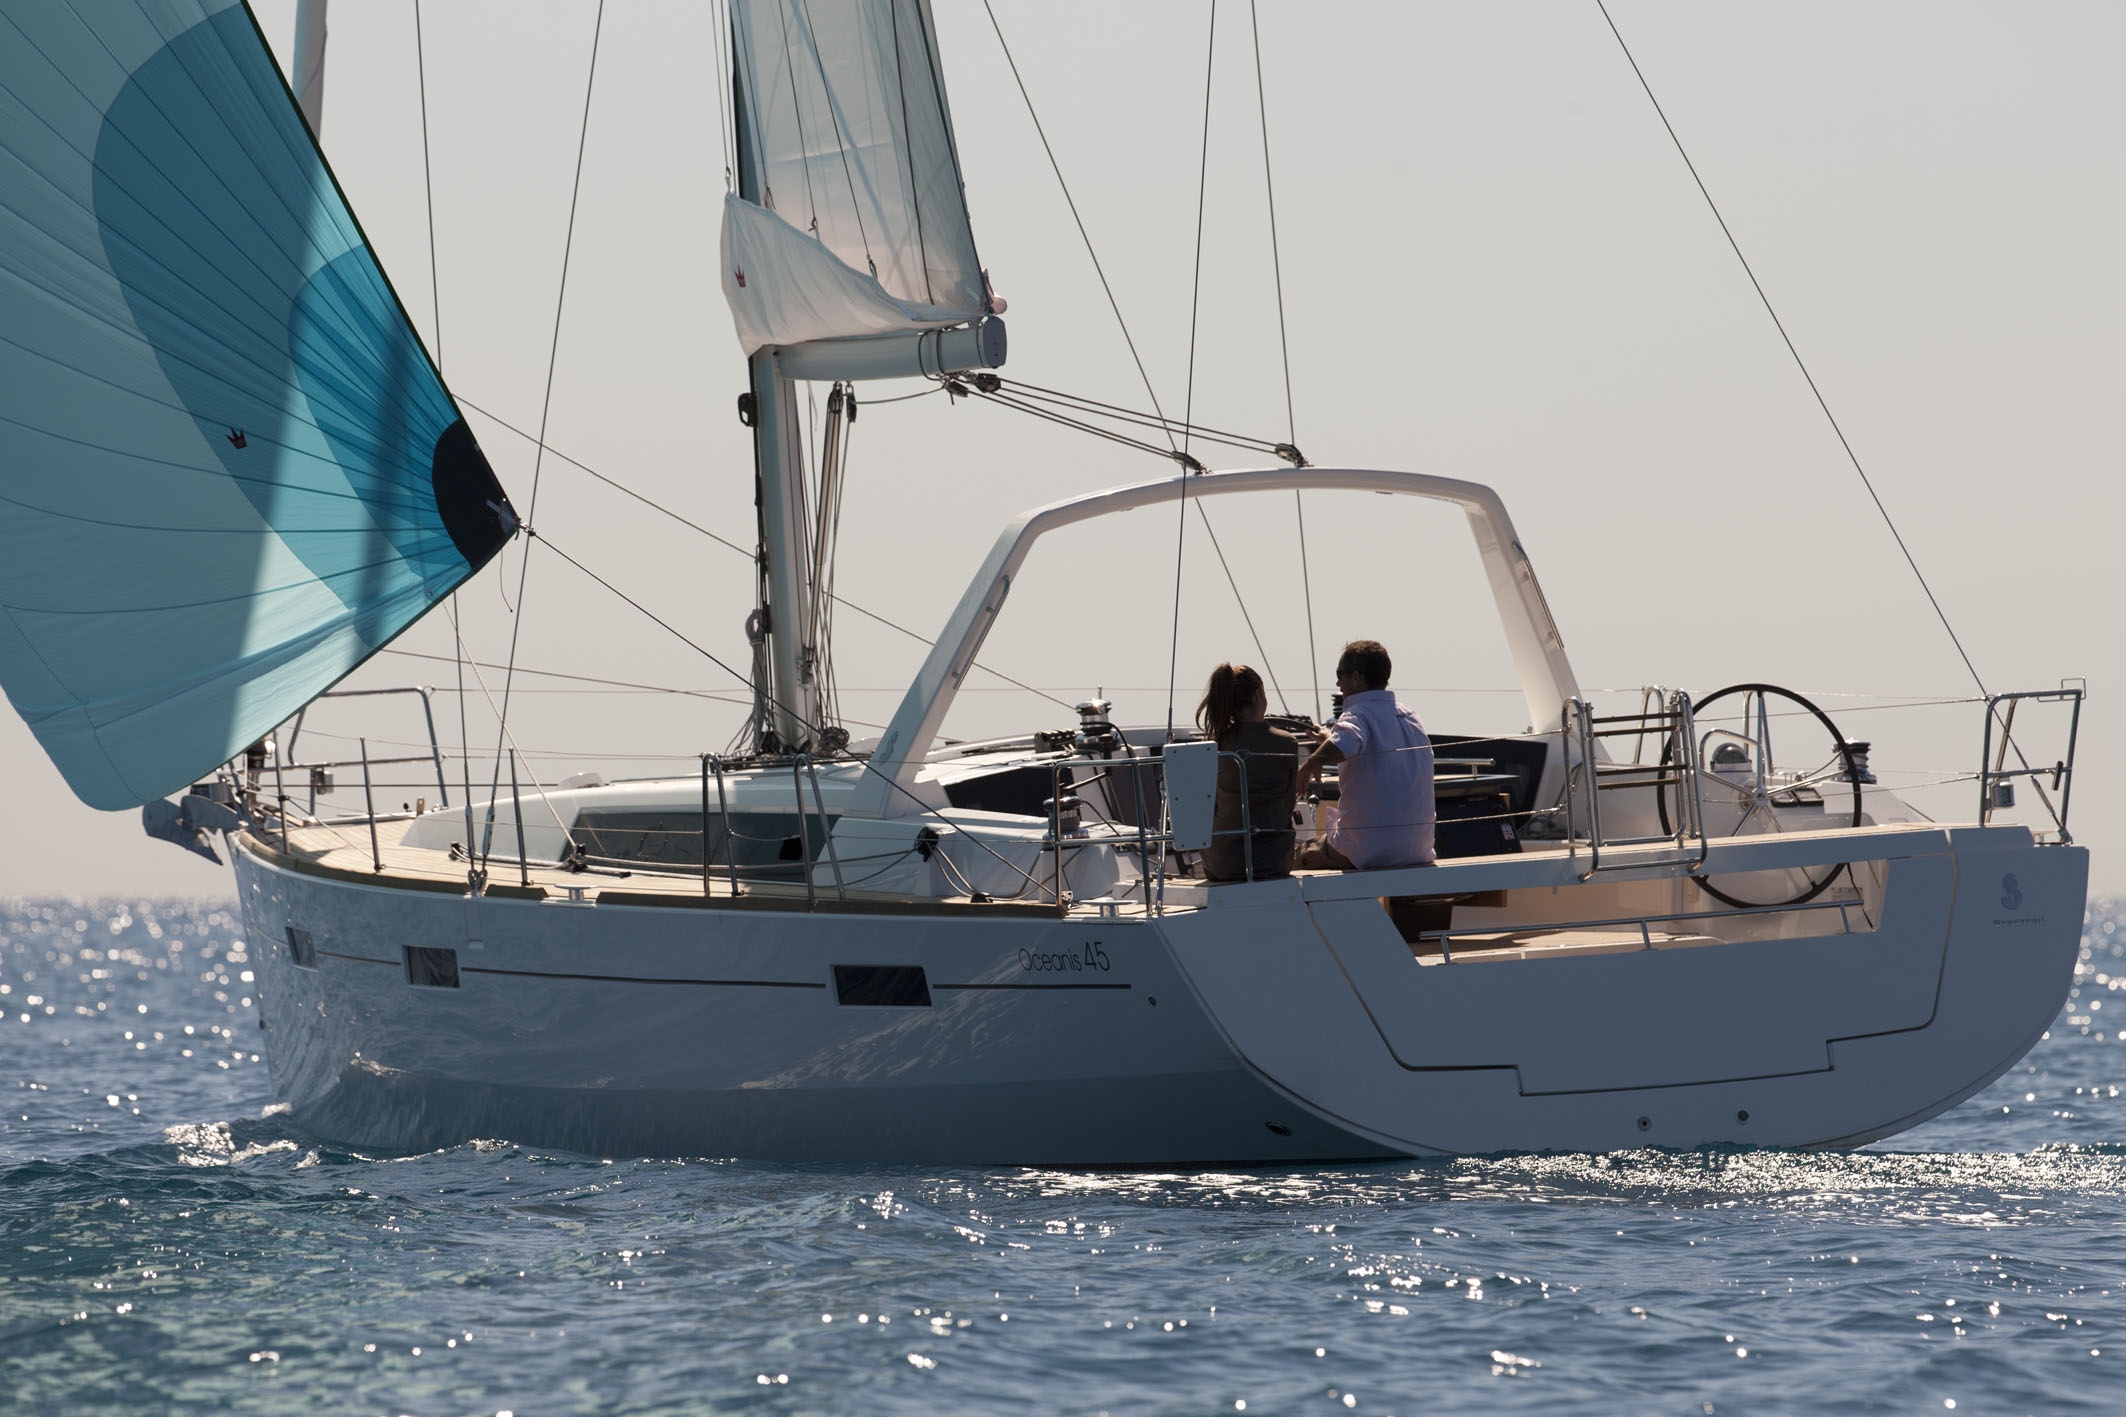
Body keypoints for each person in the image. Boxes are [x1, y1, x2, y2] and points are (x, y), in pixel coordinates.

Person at [1295, 639, 1435, 870]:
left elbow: (1346, 742)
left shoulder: (1357, 714)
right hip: (1417, 850)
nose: (1338, 683)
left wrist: (1311, 763)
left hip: (1367, 852)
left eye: (1340, 674)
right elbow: (1357, 739)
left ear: (1357, 677)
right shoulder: (1410, 716)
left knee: (1295, 859)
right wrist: (1329, 737)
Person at [1194, 663, 1301, 882]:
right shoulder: (1287, 743)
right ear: (1258, 695)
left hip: (1223, 864)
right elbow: (1288, 804)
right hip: (1273, 861)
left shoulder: (1215, 744)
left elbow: (1207, 806)